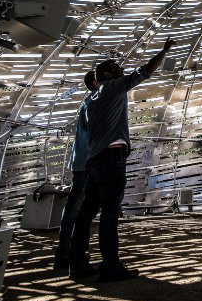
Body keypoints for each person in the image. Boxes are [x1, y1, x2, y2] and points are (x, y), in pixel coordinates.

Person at [69, 38, 174, 282]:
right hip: (110, 160)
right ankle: (110, 265)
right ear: (107, 74)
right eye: (117, 68)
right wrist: (164, 50)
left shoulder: (91, 101)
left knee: (86, 214)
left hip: (94, 162)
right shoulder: (112, 87)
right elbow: (145, 71)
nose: (122, 70)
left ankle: (77, 263)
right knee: (109, 212)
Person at [53, 70, 97, 270]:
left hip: (82, 161)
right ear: (97, 82)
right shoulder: (93, 102)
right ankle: (68, 253)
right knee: (78, 210)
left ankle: (70, 252)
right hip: (86, 162)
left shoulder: (88, 102)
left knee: (78, 209)